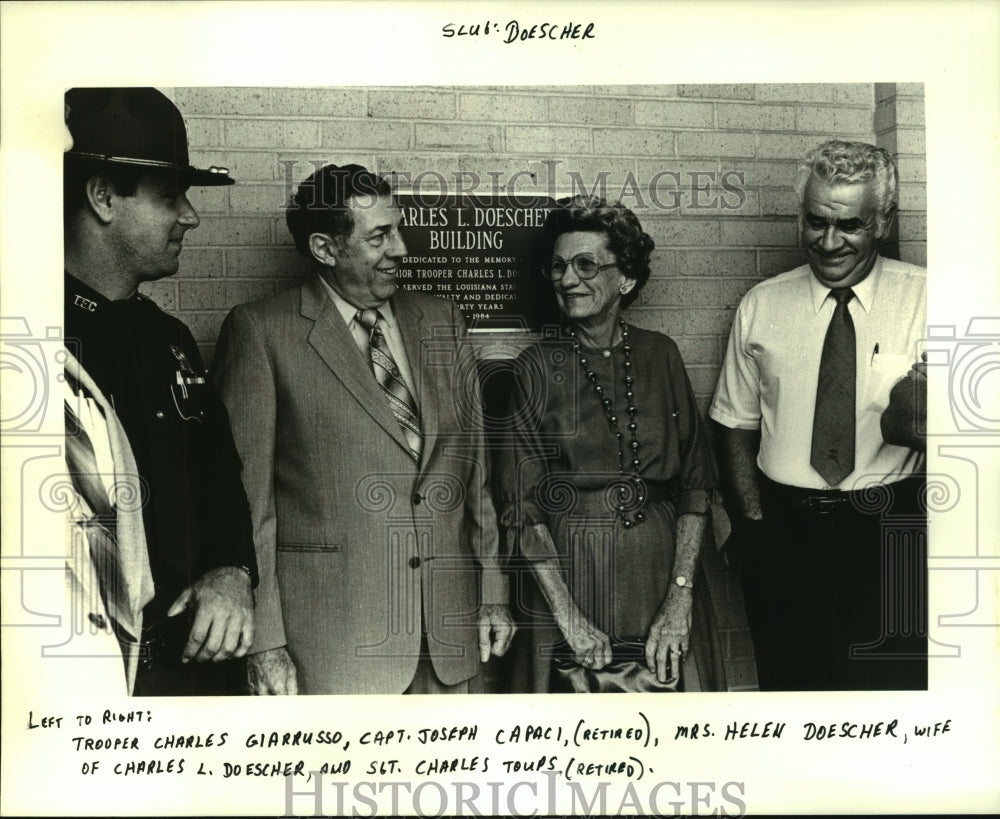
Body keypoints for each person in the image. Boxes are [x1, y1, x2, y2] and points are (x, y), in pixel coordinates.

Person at [212, 163, 515, 695]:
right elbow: (245, 503)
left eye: (397, 229)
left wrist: (492, 590)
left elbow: (476, 477)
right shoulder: (261, 331)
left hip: (448, 636)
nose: (402, 249)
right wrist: (265, 640)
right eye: (380, 236)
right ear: (326, 249)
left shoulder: (442, 320)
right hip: (334, 646)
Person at [711, 140, 927, 691]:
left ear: (883, 221)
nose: (829, 243)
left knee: (890, 696)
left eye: (849, 225)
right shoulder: (761, 305)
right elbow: (734, 424)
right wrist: (757, 529)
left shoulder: (931, 300)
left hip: (891, 533)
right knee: (790, 689)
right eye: (815, 222)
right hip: (785, 533)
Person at [63, 88, 258, 696]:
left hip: (194, 668)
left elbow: (221, 476)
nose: (191, 216)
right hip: (85, 675)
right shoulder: (29, 341)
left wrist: (234, 570)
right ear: (102, 198)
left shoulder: (168, 338)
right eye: (170, 197)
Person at [500, 195, 727, 693]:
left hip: (660, 573)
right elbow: (522, 510)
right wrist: (568, 617)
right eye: (557, 266)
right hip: (570, 574)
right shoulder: (534, 368)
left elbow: (695, 489)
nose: (566, 279)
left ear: (625, 278)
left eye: (585, 264)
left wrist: (680, 598)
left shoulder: (660, 353)